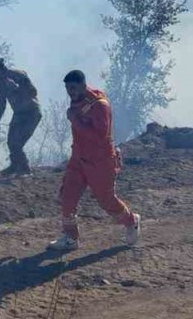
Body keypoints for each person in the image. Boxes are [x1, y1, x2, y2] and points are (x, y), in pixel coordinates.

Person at [48, 69, 140, 251]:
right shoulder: (78, 99)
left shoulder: (99, 105)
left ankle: (131, 221)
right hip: (78, 158)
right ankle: (70, 238)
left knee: (106, 200)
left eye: (73, 88)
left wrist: (75, 120)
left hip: (100, 161)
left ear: (83, 85)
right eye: (67, 88)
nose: (70, 92)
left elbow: (99, 137)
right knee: (67, 196)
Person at [0, 56, 41, 176]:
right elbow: (1, 103)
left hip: (31, 112)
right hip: (18, 113)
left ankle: (24, 169)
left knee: (16, 142)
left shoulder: (18, 75)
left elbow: (33, 92)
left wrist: (17, 88)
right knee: (11, 142)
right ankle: (15, 165)